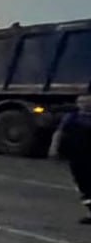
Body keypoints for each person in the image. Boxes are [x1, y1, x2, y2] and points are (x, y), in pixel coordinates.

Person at [50, 94, 91, 224]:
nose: (84, 104)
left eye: (87, 101)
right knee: (83, 185)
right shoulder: (71, 117)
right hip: (77, 156)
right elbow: (59, 132)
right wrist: (53, 148)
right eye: (81, 102)